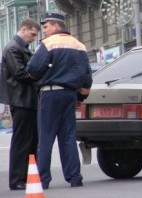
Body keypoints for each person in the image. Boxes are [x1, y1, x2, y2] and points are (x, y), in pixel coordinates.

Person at [26, 12, 92, 189]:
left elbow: (32, 68)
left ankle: (43, 180)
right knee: (68, 137)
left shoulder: (48, 44)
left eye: (46, 27)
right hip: (70, 95)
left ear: (56, 26)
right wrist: (81, 95)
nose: (44, 31)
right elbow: (87, 76)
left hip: (50, 94)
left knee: (46, 138)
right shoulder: (79, 45)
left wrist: (38, 78)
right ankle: (74, 178)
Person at [0, 18, 40, 190]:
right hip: (21, 100)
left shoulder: (20, 48)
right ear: (23, 29)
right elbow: (20, 73)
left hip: (26, 100)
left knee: (30, 140)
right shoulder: (12, 48)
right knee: (22, 141)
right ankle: (17, 179)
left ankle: (26, 176)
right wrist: (39, 73)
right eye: (32, 34)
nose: (33, 38)